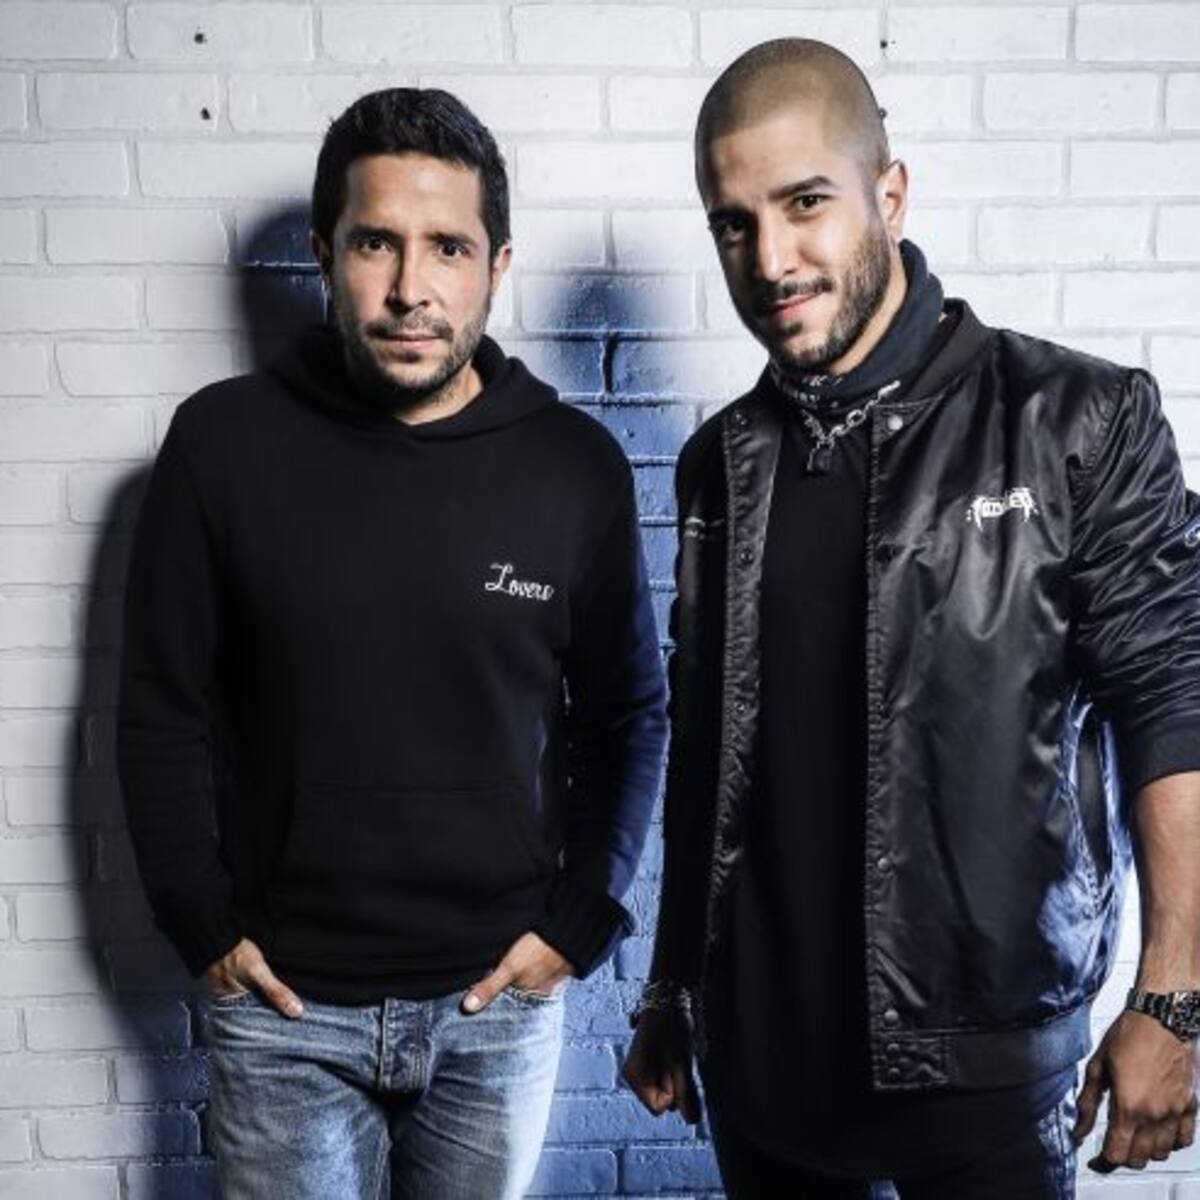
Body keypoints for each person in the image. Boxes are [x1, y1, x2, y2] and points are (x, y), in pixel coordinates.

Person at [622, 37, 1200, 1199]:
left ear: (889, 194)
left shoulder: (1076, 420)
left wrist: (1173, 996)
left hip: (985, 1075)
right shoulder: (721, 462)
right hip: (765, 1070)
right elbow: (706, 753)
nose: (770, 259)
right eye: (734, 223)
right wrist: (672, 985)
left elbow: (1171, 700)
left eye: (805, 203)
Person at [117, 87, 667, 1200]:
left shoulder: (572, 468)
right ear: (326, 256)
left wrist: (583, 921)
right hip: (282, 1014)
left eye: (448, 248)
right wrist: (200, 921)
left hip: (494, 1010)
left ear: (496, 266)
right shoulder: (222, 445)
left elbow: (628, 714)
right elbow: (161, 706)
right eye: (377, 243)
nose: (412, 288)